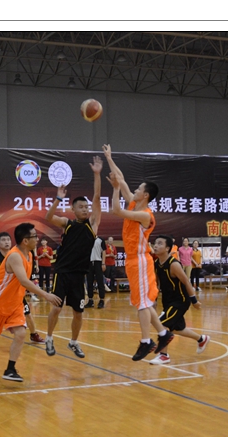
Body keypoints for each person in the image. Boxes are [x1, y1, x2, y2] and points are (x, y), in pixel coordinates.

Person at [104, 143, 174, 361]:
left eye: (137, 190)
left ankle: (146, 341)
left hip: (141, 260)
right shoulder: (136, 204)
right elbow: (122, 178)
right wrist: (109, 158)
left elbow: (116, 210)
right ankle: (163, 334)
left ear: (145, 195)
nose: (133, 191)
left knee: (143, 304)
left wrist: (115, 188)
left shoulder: (145, 215)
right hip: (133, 260)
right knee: (141, 302)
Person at [0, 223, 62, 381]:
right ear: (25, 240)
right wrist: (46, 295)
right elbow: (24, 281)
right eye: (34, 236)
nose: (37, 239)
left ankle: (10, 369)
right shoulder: (14, 256)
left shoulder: (30, 255)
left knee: (21, 333)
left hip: (16, 304)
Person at [43, 155, 103, 359]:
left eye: (87, 207)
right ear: (73, 209)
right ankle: (49, 338)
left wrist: (97, 174)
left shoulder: (92, 225)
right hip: (62, 272)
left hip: (79, 275)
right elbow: (48, 217)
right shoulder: (67, 224)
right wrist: (58, 198)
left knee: (79, 312)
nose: (85, 209)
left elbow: (97, 197)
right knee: (56, 308)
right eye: (81, 207)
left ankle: (74, 342)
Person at [0, 232, 45, 343]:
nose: (6, 242)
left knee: (28, 314)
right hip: (1, 295)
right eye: (3, 240)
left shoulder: (18, 255)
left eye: (8, 240)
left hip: (16, 293)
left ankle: (33, 334)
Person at [151, 235, 210, 364]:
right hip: (167, 300)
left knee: (162, 324)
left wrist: (194, 301)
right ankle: (201, 339)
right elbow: (157, 283)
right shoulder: (156, 263)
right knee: (177, 328)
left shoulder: (174, 264)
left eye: (160, 244)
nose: (155, 246)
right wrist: (154, 299)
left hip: (180, 300)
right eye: (155, 243)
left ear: (167, 248)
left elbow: (186, 282)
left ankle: (164, 355)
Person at [85, 236, 107, 308]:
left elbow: (104, 251)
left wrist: (103, 263)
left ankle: (101, 300)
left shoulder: (100, 240)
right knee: (89, 282)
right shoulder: (87, 239)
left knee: (100, 281)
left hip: (98, 262)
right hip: (89, 263)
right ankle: (90, 300)